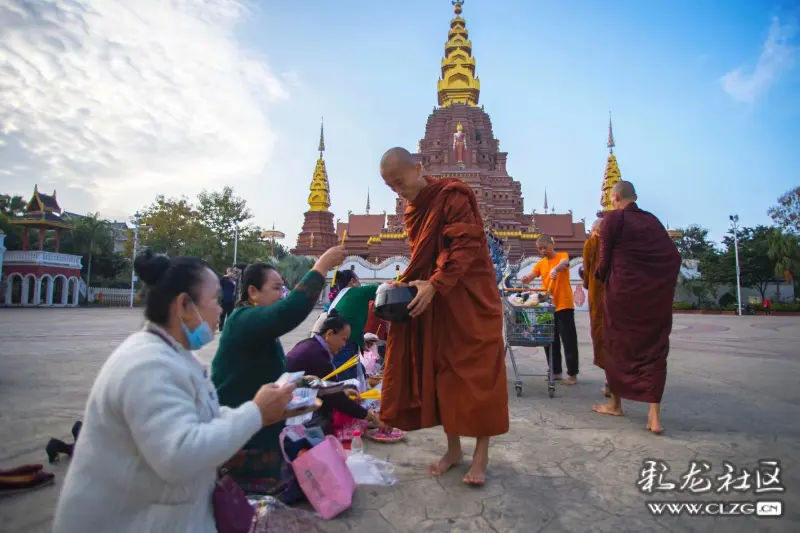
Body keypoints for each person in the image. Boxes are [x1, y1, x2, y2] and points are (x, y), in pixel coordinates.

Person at [53, 250, 295, 533]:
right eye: (215, 299)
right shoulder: (145, 365)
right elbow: (178, 454)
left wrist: (260, 412)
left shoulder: (178, 356)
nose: (221, 309)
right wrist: (255, 413)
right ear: (183, 305)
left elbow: (203, 421)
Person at [378, 147, 509, 486]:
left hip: (471, 296)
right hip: (438, 300)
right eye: (390, 187)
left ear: (418, 167)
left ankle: (481, 454)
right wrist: (405, 281)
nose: (398, 191)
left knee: (479, 375)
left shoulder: (452, 195)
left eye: (399, 182)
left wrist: (435, 283)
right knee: (443, 375)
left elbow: (464, 247)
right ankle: (454, 450)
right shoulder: (413, 210)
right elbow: (423, 257)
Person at [211, 246, 347, 501]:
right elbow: (288, 313)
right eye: (276, 288)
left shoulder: (262, 330)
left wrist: (324, 386)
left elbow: (280, 373)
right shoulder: (243, 320)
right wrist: (321, 266)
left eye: (283, 288)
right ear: (252, 292)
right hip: (242, 430)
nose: (282, 294)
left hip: (264, 428)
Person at [591, 181, 681, 435]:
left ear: (616, 196)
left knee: (617, 346)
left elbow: (605, 261)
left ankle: (615, 404)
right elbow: (674, 258)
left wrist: (600, 276)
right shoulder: (652, 222)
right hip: (654, 300)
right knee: (654, 351)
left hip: (623, 297)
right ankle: (654, 417)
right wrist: (658, 286)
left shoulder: (613, 220)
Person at [285, 313, 384, 433]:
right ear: (329, 334)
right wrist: (371, 417)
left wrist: (342, 391)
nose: (344, 345)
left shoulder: (310, 344)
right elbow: (337, 399)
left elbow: (319, 384)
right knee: (326, 420)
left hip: (291, 398)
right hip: (287, 409)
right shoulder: (317, 356)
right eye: (344, 340)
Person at [521, 235, 580, 385]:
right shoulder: (541, 263)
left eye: (544, 248)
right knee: (550, 340)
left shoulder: (562, 256)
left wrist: (556, 269)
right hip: (547, 308)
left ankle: (572, 374)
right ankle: (556, 371)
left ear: (551, 245)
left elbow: (564, 263)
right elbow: (532, 275)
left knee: (568, 341)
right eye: (539, 249)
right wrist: (526, 278)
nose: (542, 251)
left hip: (564, 305)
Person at [312, 270, 379, 383]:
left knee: (348, 380)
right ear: (352, 281)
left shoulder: (340, 296)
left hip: (335, 345)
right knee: (346, 384)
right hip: (344, 347)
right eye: (358, 281)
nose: (360, 285)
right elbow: (384, 288)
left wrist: (362, 340)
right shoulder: (356, 292)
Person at [582, 219, 608, 396]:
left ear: (594, 230)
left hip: (598, 295)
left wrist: (587, 283)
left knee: (601, 334)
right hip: (617, 296)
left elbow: (587, 268)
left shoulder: (591, 243)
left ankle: (609, 381)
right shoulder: (615, 243)